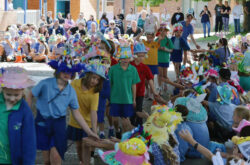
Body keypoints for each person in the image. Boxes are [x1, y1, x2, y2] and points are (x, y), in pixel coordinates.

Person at [27, 57, 99, 165]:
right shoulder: (45, 84)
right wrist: (28, 115)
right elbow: (30, 94)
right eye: (64, 70)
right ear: (58, 70)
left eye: (70, 72)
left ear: (73, 74)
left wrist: (90, 132)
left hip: (58, 125)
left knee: (56, 156)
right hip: (42, 123)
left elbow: (76, 113)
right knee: (47, 161)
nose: (67, 74)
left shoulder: (71, 91)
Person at [67, 61, 107, 165]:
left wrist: (94, 130)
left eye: (98, 79)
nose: (95, 81)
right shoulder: (75, 84)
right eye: (94, 77)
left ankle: (86, 163)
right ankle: (82, 162)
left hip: (88, 124)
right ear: (87, 75)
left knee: (86, 147)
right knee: (79, 147)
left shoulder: (95, 92)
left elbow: (93, 112)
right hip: (75, 122)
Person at [0, 67, 36, 165]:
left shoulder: (25, 111)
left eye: (16, 95)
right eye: (8, 94)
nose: (12, 99)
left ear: (23, 91)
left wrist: (28, 162)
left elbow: (29, 142)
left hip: (11, 161)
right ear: (2, 89)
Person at [108, 46, 140, 136]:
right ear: (119, 58)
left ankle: (125, 138)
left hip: (127, 99)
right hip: (115, 98)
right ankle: (117, 129)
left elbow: (134, 85)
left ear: (130, 58)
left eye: (128, 58)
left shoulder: (133, 69)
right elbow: (110, 84)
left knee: (126, 120)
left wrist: (134, 99)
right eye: (123, 58)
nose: (126, 60)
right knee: (115, 120)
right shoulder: (113, 69)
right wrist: (108, 97)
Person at [130, 42, 159, 126]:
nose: (141, 58)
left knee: (138, 110)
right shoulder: (130, 66)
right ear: (134, 55)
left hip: (140, 93)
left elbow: (150, 79)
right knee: (131, 111)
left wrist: (153, 91)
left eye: (143, 56)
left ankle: (139, 126)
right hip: (130, 92)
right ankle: (131, 126)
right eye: (139, 56)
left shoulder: (145, 67)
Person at [156, 23, 174, 93]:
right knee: (159, 74)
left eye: (165, 31)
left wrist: (165, 49)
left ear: (167, 32)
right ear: (159, 31)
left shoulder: (168, 40)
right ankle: (159, 87)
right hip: (158, 59)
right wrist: (159, 40)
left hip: (166, 59)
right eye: (161, 31)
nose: (163, 32)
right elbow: (154, 47)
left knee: (165, 75)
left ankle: (165, 84)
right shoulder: (157, 39)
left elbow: (171, 49)